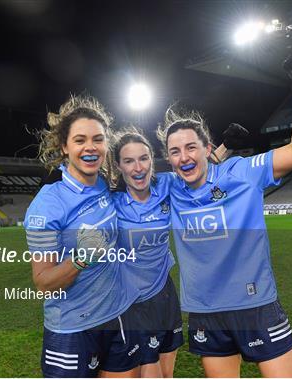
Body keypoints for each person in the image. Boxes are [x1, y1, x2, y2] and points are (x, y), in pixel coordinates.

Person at [155, 53, 292, 378]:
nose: (183, 157)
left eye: (191, 147)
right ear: (168, 159)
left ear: (207, 147)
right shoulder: (168, 188)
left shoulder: (243, 173)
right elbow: (123, 177)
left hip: (256, 306)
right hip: (206, 314)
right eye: (175, 151)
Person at [23, 95, 141, 378]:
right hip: (72, 331)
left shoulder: (105, 183)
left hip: (117, 317)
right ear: (64, 146)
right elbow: (43, 284)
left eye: (98, 139)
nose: (90, 147)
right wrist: (81, 259)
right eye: (80, 140)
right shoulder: (47, 204)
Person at [109, 127, 184, 378]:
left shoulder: (166, 185)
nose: (138, 167)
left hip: (164, 292)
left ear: (153, 159)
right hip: (133, 301)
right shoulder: (111, 201)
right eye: (128, 161)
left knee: (167, 373)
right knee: (147, 372)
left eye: (143, 158)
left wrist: (223, 148)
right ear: (119, 166)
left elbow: (195, 170)